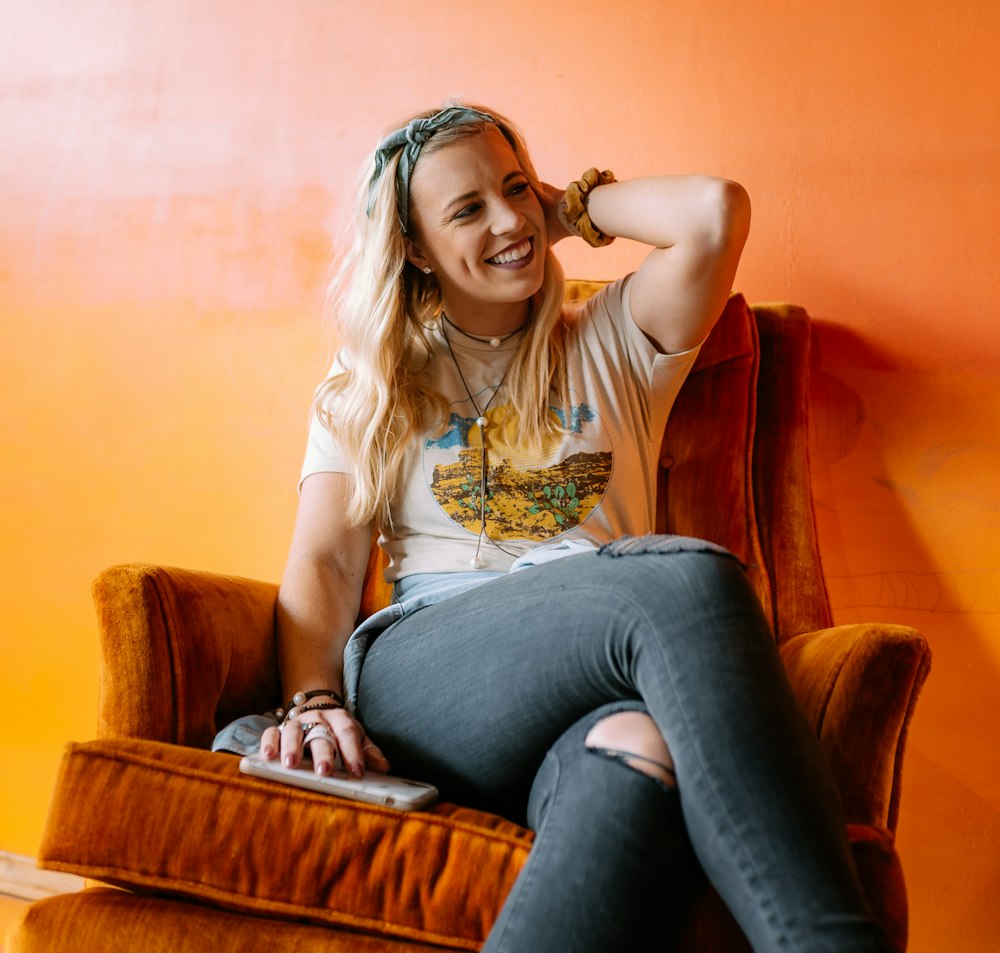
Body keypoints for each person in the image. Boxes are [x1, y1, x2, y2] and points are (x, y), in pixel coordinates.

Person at [215, 103, 890, 953]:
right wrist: (312, 697)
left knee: (637, 752)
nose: (507, 222)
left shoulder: (614, 340)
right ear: (414, 247)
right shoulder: (376, 377)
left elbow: (716, 210)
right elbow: (321, 559)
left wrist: (564, 209)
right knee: (686, 578)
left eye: (513, 189)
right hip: (433, 675)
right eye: (466, 210)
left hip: (598, 679)